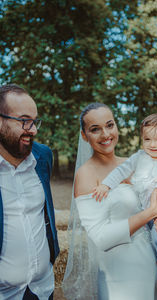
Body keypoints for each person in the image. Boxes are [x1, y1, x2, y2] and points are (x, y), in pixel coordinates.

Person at [63, 103, 157, 300]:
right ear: (84, 135)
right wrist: (150, 212)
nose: (105, 134)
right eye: (95, 129)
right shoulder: (86, 174)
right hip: (120, 274)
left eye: (110, 125)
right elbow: (101, 237)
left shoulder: (136, 163)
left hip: (156, 264)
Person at [93, 112, 157, 290]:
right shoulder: (139, 158)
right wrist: (106, 185)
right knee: (154, 234)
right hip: (150, 205)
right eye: (147, 139)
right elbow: (121, 171)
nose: (152, 144)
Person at [0, 84, 59, 299]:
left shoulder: (43, 157)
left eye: (35, 121)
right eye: (25, 121)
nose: (33, 130)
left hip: (42, 289)